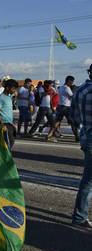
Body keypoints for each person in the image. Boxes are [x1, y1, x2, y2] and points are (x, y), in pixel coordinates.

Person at [70, 64, 92, 230]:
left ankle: (80, 214)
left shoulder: (80, 90)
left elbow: (74, 117)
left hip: (86, 136)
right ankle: (79, 216)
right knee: (88, 182)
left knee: (88, 180)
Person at [48, 76, 79, 142]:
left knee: (57, 122)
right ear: (68, 81)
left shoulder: (60, 87)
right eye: (72, 82)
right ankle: (77, 137)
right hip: (66, 107)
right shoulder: (67, 88)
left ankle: (49, 135)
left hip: (59, 106)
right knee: (72, 122)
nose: (72, 83)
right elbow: (72, 97)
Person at [0, 79, 19, 148]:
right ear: (7, 88)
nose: (14, 91)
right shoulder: (1, 98)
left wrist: (12, 124)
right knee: (9, 142)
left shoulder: (9, 97)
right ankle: (5, 157)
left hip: (9, 123)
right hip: (4, 124)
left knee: (10, 142)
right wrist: (1, 124)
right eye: (13, 89)